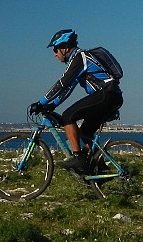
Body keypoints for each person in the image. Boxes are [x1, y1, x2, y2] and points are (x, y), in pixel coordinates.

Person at [29, 29, 123, 171]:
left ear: (65, 48)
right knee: (85, 133)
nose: (54, 54)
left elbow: (63, 83)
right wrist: (52, 105)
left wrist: (41, 102)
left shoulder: (80, 57)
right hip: (111, 96)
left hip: (106, 95)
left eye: (55, 49)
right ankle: (98, 168)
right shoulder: (79, 60)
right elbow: (68, 88)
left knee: (68, 116)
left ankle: (78, 157)